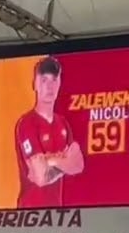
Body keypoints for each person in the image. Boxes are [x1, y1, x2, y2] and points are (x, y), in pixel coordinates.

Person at [14, 56, 84, 208]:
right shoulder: (27, 123)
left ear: (59, 84)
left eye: (54, 80)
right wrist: (65, 162)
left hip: (57, 214)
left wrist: (50, 161)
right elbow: (40, 177)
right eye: (44, 80)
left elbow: (78, 164)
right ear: (35, 84)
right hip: (29, 214)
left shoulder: (63, 123)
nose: (49, 86)